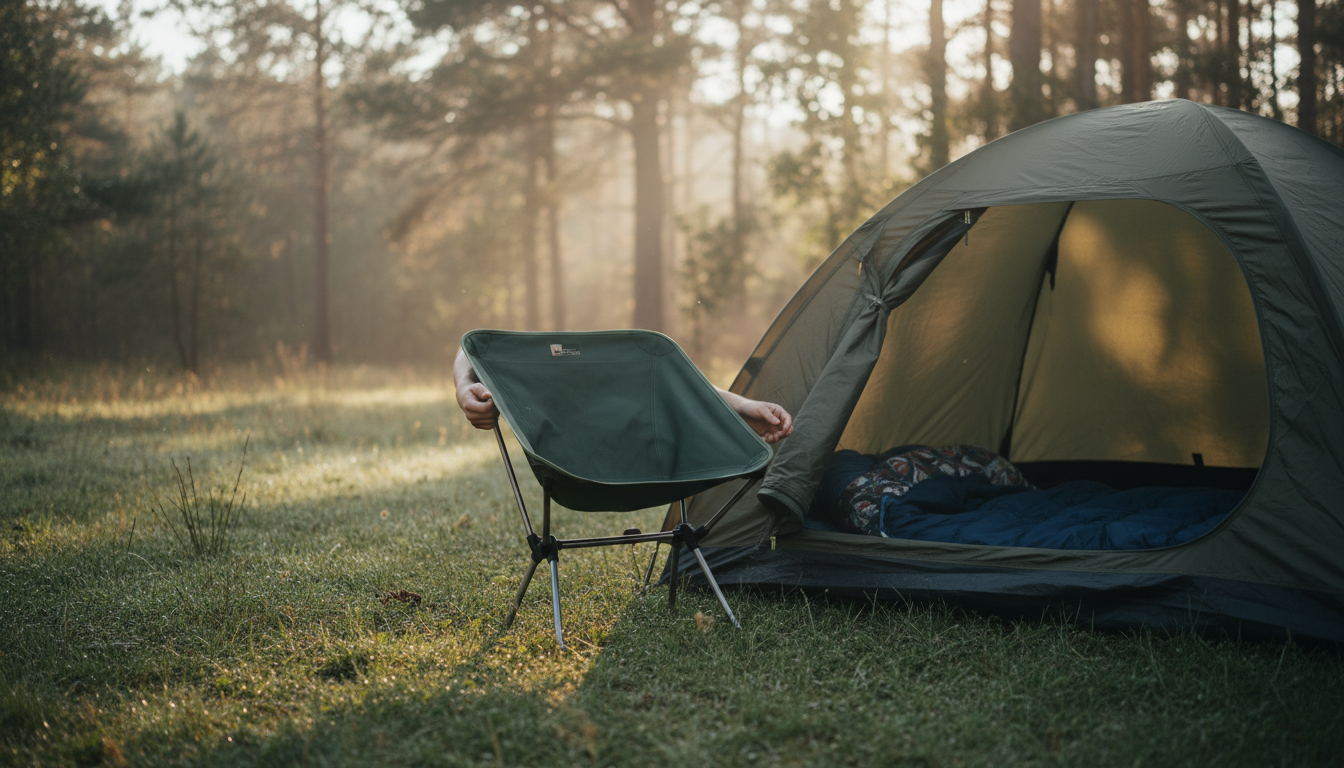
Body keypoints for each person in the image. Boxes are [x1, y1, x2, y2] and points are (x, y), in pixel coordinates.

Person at [453, 347, 794, 444]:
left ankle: (737, 410)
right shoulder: (637, 356)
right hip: (664, 479)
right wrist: (464, 386)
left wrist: (744, 405)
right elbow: (472, 345)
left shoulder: (639, 357)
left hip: (564, 480)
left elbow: (472, 346)